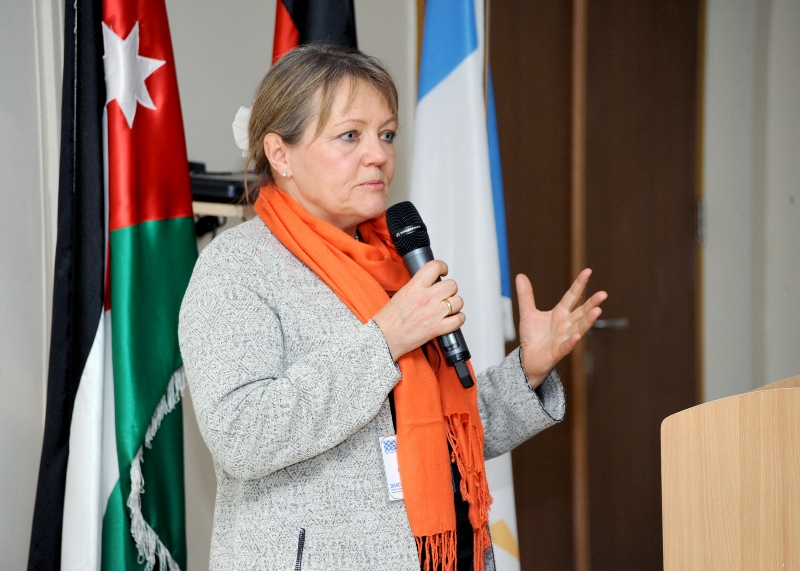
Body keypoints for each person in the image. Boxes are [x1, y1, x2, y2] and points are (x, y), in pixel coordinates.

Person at [178, 44, 606, 571]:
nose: (378, 155)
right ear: (280, 154)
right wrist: (383, 342)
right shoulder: (237, 268)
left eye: (386, 135)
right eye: (350, 136)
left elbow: (445, 436)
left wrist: (529, 371)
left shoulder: (393, 260)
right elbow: (242, 435)